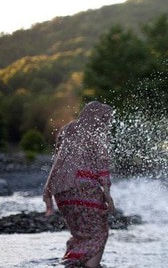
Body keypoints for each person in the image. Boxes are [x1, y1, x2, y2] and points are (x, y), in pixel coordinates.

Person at [43, 101, 115, 268]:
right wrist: (108, 195)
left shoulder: (67, 130)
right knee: (99, 233)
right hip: (86, 189)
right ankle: (90, 265)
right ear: (98, 117)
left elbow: (59, 161)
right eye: (106, 119)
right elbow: (102, 166)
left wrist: (48, 193)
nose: (107, 123)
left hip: (61, 192)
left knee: (80, 234)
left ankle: (71, 261)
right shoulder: (96, 133)